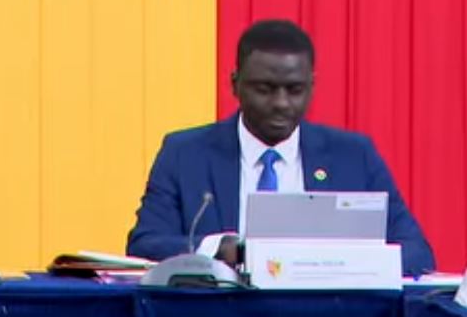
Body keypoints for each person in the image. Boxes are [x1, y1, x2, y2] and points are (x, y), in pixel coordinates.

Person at [126, 19, 434, 275]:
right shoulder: (184, 154)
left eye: (295, 90)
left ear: (312, 86)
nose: (281, 103)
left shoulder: (354, 156)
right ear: (234, 84)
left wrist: (337, 261)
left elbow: (417, 253)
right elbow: (144, 245)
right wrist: (216, 249)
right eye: (265, 89)